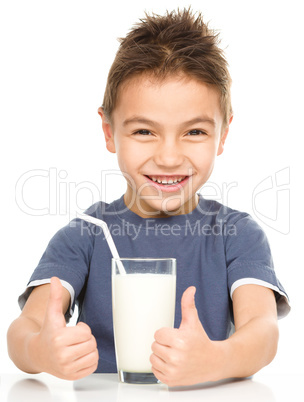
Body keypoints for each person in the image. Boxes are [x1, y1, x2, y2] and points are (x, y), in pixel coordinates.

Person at [7, 8, 290, 387]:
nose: (169, 157)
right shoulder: (87, 234)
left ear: (223, 134)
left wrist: (216, 359)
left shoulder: (236, 234)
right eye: (144, 131)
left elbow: (263, 332)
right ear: (109, 132)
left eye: (194, 132)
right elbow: (24, 330)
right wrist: (41, 350)